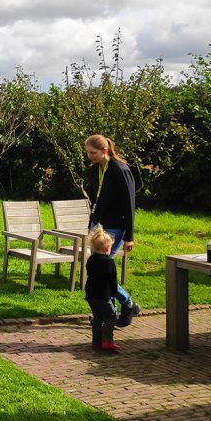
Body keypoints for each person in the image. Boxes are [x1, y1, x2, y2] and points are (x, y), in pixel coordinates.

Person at [83, 134, 140, 327]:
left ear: (105, 151)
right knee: (100, 271)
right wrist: (91, 223)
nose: (90, 156)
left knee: (103, 271)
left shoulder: (120, 170)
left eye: (93, 152)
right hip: (98, 225)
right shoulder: (95, 170)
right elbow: (96, 199)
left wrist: (129, 236)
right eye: (88, 152)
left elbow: (129, 204)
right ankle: (111, 313)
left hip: (115, 227)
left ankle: (127, 304)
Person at [85, 226, 120, 353]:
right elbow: (113, 280)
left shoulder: (91, 260)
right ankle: (107, 341)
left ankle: (96, 342)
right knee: (111, 316)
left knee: (98, 317)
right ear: (107, 249)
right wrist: (113, 293)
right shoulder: (109, 263)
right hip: (103, 295)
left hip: (91, 294)